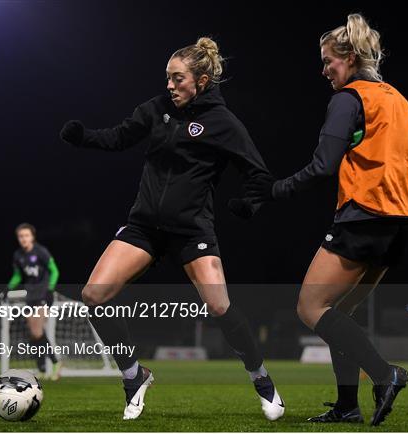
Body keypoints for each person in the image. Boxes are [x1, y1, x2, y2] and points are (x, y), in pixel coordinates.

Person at [59, 37, 284, 421]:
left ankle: (262, 380)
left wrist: (250, 204)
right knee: (93, 295)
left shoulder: (223, 123)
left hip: (192, 230)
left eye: (177, 78)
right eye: (167, 77)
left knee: (219, 305)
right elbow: (120, 136)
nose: (169, 85)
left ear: (202, 79)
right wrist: (84, 138)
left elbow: (258, 173)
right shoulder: (157, 109)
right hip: (144, 226)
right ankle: (134, 377)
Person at [247, 14, 408, 426]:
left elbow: (324, 164)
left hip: (363, 216)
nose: (324, 69)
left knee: (310, 307)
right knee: (340, 313)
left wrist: (275, 190)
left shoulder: (350, 97)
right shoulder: (397, 98)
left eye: (329, 61)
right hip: (400, 223)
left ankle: (386, 374)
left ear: (349, 58)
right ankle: (347, 406)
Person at [3, 222, 62, 380]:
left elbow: (55, 271)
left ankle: (55, 363)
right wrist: (8, 288)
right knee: (34, 335)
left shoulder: (41, 251)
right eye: (21, 236)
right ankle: (42, 368)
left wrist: (50, 289)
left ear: (32, 237)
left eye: (26, 235)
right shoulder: (18, 256)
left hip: (43, 295)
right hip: (31, 297)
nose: (23, 239)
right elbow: (17, 275)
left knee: (37, 331)